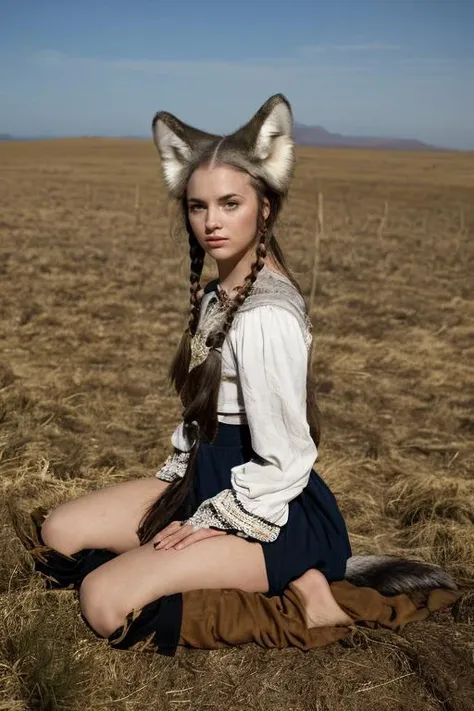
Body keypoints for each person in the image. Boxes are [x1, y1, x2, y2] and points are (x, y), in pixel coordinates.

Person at [14, 94, 459, 656]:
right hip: (207, 475)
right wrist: (181, 484)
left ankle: (309, 601)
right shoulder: (215, 297)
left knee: (104, 602)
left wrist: (220, 519)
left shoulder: (267, 315)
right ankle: (235, 572)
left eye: (229, 203)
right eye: (198, 207)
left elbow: (287, 458)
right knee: (60, 533)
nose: (212, 222)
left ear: (265, 206)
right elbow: (201, 416)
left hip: (268, 506)